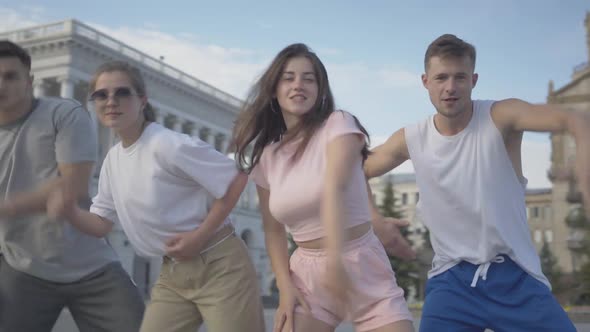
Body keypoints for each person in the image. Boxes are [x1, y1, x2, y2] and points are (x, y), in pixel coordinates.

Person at [364, 34, 588, 332]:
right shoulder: (412, 138)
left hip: (515, 277)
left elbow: (573, 119)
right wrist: (373, 218)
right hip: (451, 282)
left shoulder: (501, 117)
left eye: (460, 77)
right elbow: (353, 171)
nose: (450, 87)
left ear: (474, 79)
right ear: (425, 81)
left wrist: (584, 165)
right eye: (441, 77)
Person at [49, 60, 265, 332]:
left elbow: (236, 178)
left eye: (122, 92)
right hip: (173, 273)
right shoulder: (113, 160)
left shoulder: (167, 144)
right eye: (101, 94)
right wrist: (70, 212)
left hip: (220, 266)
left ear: (142, 100)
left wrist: (198, 236)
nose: (111, 101)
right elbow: (101, 223)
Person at [233, 43, 414, 332]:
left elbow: (335, 188)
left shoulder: (339, 123)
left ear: (320, 89)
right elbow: (272, 229)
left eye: (309, 78)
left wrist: (340, 256)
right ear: (274, 89)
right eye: (288, 78)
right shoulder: (268, 156)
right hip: (307, 276)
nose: (298, 85)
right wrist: (284, 286)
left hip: (361, 262)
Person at [0, 41, 144, 332]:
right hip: (21, 266)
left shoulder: (65, 113)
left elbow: (73, 185)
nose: (1, 84)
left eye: (10, 76)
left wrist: (8, 206)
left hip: (91, 266)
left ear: (29, 82)